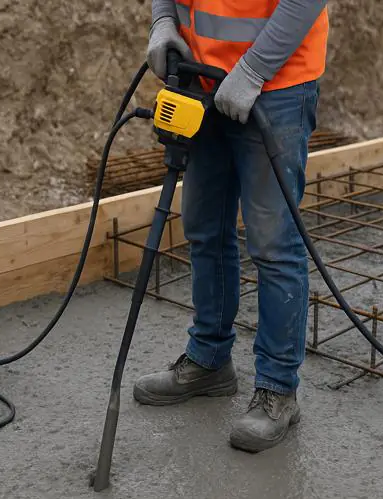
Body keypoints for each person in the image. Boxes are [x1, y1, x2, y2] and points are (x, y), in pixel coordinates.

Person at [135, 0, 329, 452]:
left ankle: (278, 390)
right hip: (202, 75)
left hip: (276, 84)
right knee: (203, 224)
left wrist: (256, 69)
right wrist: (163, 20)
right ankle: (209, 361)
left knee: (273, 241)